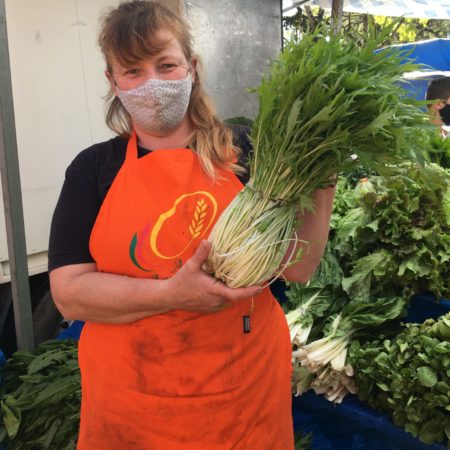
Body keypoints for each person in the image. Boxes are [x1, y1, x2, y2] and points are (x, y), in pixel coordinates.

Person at [48, 1, 335, 448]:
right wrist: (169, 295)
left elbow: (297, 269)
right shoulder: (93, 168)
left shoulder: (249, 152)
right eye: (132, 72)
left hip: (242, 393)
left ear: (192, 68)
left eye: (166, 65)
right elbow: (68, 294)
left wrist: (323, 179)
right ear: (112, 81)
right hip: (131, 399)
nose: (152, 84)